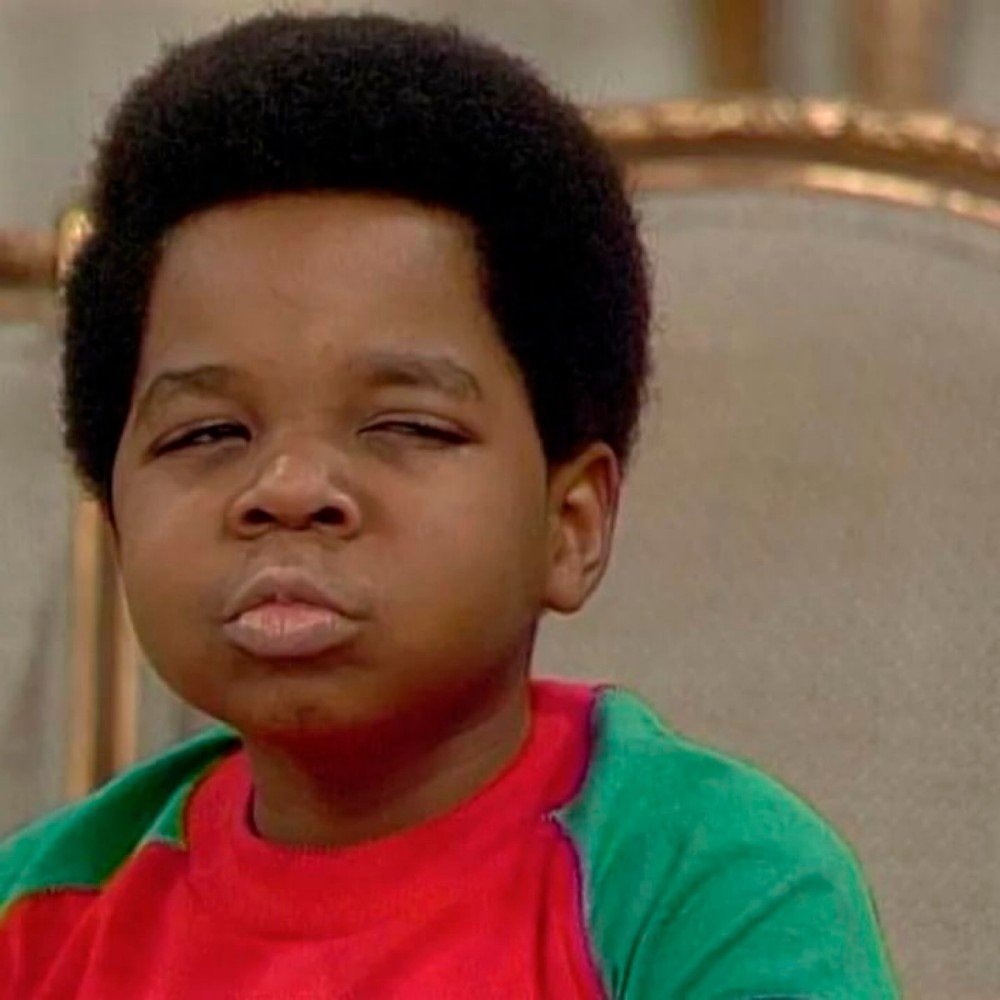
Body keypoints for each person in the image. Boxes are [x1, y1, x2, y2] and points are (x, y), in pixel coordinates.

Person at [0, 12, 899, 998]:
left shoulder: (706, 889)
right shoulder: (39, 916)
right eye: (206, 434)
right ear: (116, 520)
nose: (288, 490)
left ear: (569, 524)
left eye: (404, 426)